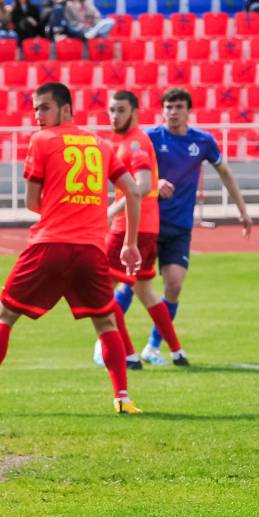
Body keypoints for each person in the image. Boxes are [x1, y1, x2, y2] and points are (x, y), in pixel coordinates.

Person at [0, 82, 146, 417]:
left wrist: (61, 207)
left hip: (49, 247)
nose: (37, 116)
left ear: (65, 109)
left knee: (4, 316)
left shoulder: (42, 140)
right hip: (91, 251)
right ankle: (123, 399)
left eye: (44, 108)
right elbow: (133, 192)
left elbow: (32, 202)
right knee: (106, 324)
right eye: (35, 108)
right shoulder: (102, 144)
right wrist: (131, 244)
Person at [112, 87, 252, 366]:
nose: (173, 112)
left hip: (179, 226)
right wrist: (156, 182)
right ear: (161, 111)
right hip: (147, 223)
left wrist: (243, 210)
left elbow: (224, 172)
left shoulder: (203, 141)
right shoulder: (148, 138)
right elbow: (131, 172)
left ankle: (153, 347)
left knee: (173, 285)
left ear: (189, 111)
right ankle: (109, 339)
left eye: (178, 107)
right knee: (130, 284)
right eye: (168, 107)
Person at [92, 91, 188, 370]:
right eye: (111, 110)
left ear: (134, 112)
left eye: (121, 110)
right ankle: (177, 351)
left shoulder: (135, 144)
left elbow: (144, 186)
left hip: (129, 229)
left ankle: (129, 356)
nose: (114, 116)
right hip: (146, 227)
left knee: (102, 291)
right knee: (146, 291)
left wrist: (110, 212)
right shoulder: (129, 142)